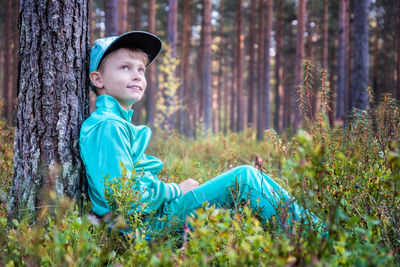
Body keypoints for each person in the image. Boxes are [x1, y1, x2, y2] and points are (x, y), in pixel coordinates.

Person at [80, 31, 325, 235]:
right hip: (146, 228)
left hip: (150, 220)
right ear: (98, 79)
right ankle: (319, 238)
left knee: (237, 194)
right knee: (245, 179)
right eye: (125, 67)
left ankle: (306, 236)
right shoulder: (108, 127)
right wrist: (177, 189)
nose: (137, 75)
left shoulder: (116, 123)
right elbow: (126, 199)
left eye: (141, 70)